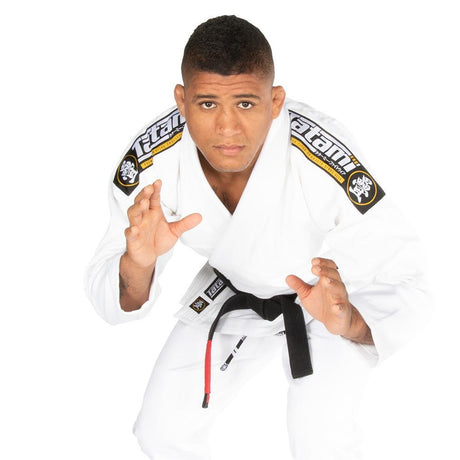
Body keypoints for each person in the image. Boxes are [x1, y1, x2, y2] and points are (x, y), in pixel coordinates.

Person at [86, 15, 430, 460]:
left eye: (246, 104)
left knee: (320, 440)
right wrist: (139, 263)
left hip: (333, 301)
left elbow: (405, 274)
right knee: (160, 431)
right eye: (207, 104)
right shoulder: (151, 161)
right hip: (237, 288)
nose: (227, 128)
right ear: (182, 101)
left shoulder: (321, 155)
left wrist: (349, 321)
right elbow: (114, 295)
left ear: (275, 101)